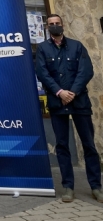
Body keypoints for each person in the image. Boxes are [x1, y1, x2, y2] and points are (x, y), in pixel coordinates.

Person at [36, 13, 103, 203]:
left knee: (89, 145)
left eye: (57, 23)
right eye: (51, 24)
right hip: (58, 104)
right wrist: (59, 92)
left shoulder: (76, 46)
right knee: (63, 146)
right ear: (47, 27)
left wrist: (71, 92)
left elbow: (86, 70)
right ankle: (68, 187)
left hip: (79, 102)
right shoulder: (42, 49)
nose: (55, 26)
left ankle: (96, 187)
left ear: (62, 25)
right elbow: (42, 73)